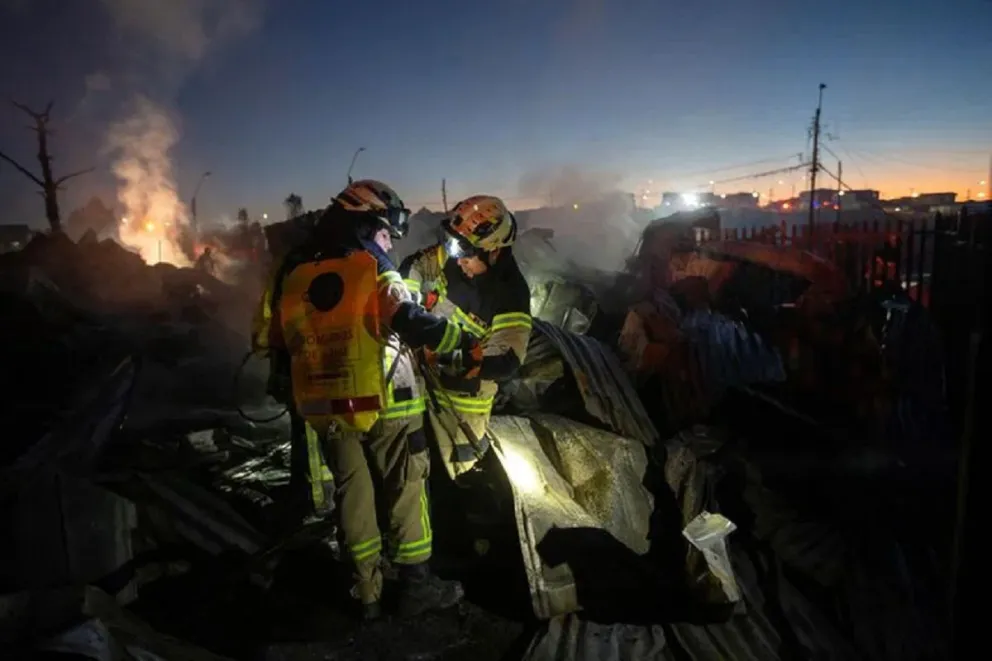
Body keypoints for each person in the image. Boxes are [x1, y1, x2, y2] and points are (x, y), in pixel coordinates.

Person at [251, 180, 474, 620]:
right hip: (389, 399)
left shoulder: (291, 268)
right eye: (387, 232)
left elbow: (267, 335)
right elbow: (407, 319)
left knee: (352, 494)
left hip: (326, 405)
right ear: (368, 223)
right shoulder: (371, 263)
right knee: (406, 486)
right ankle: (416, 587)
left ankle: (367, 591)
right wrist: (460, 339)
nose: (389, 242)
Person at [399, 195, 532, 480]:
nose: (459, 263)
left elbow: (506, 360)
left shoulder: (511, 294)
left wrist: (446, 357)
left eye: (468, 258)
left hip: (462, 415)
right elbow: (414, 266)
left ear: (493, 252)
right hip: (422, 392)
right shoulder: (457, 254)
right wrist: (409, 304)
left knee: (462, 484)